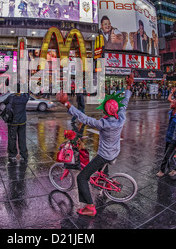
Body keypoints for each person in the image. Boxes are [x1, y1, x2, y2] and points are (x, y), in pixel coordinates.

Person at [56, 74, 134, 216]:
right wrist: (128, 86)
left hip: (104, 155)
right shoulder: (121, 117)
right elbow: (125, 101)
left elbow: (84, 118)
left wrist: (67, 104)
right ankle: (105, 184)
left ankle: (90, 207)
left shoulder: (103, 124)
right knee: (101, 169)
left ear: (105, 110)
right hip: (115, 151)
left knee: (82, 177)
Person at [156, 98, 176, 177]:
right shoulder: (172, 113)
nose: (171, 103)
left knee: (167, 156)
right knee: (169, 155)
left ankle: (162, 170)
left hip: (174, 140)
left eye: (173, 102)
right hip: (169, 137)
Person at [4, 83, 30, 162]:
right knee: (22, 138)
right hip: (22, 122)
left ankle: (12, 155)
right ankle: (23, 154)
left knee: (12, 138)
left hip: (13, 122)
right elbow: (27, 93)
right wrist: (25, 86)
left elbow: (5, 102)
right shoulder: (24, 98)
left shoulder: (11, 98)